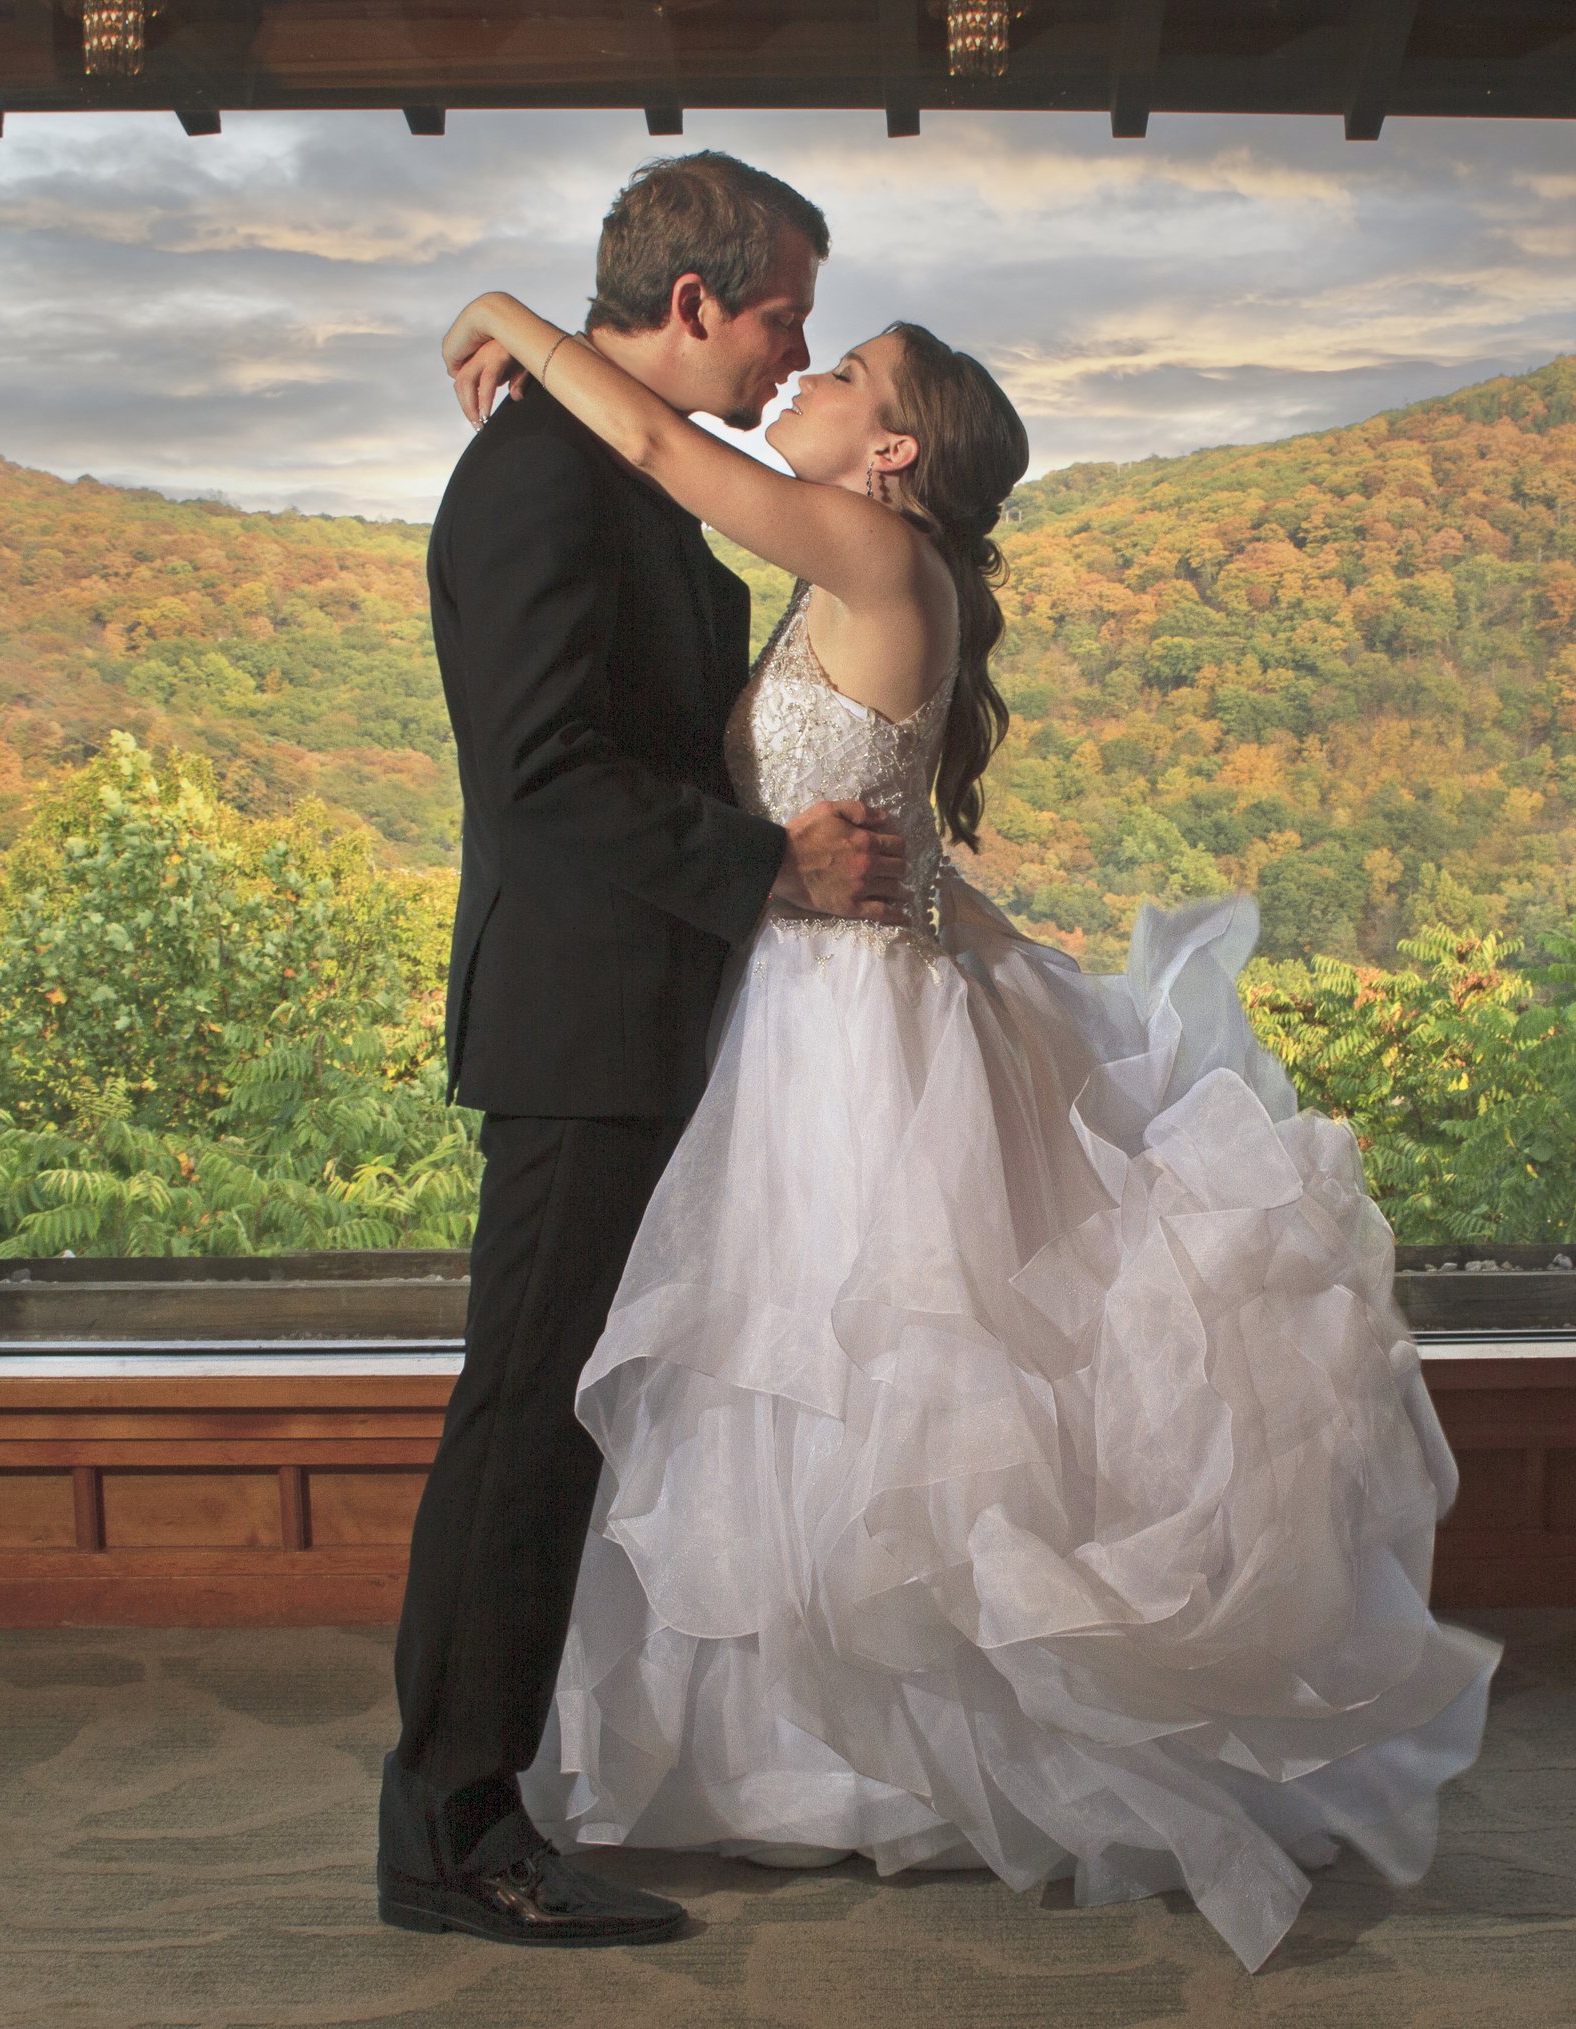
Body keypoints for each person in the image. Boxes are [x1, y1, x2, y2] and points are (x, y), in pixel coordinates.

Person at [432, 274, 1499, 1974]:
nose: (809, 374)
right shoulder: (853, 568)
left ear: (896, 445)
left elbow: (644, 427)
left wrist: (510, 311)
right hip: (808, 1004)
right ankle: (822, 1756)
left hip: (853, 1030)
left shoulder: (867, 556)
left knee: (872, 1387)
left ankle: (887, 1753)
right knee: (810, 1399)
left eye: (841, 370)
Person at [377, 152, 911, 1951]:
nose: (793, 350)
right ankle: (451, 1833)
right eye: (782, 315)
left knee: (567, 1428)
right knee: (522, 1423)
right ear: (694, 305)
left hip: (653, 1021)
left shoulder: (617, 468)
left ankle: (505, 1794)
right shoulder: (535, 480)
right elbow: (541, 786)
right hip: (579, 1026)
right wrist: (774, 863)